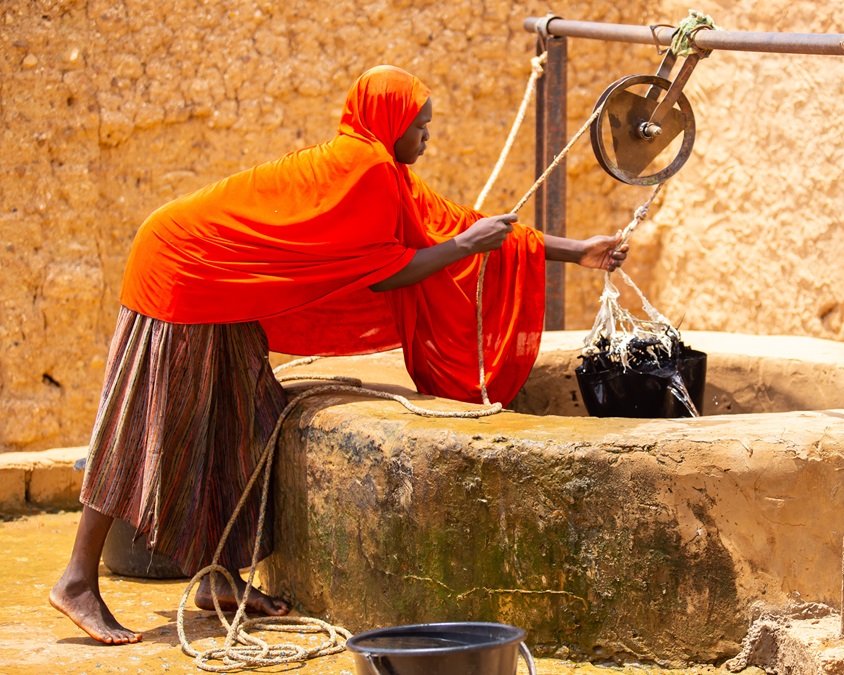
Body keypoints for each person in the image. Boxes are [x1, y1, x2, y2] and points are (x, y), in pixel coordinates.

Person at [49, 65, 628, 645]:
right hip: (183, 273)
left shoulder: (386, 170)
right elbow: (392, 273)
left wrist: (579, 252)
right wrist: (460, 249)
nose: (428, 137)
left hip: (225, 287)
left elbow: (457, 225)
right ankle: (77, 580)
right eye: (420, 126)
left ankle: (219, 577)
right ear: (391, 122)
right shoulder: (366, 170)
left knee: (239, 418)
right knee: (146, 429)